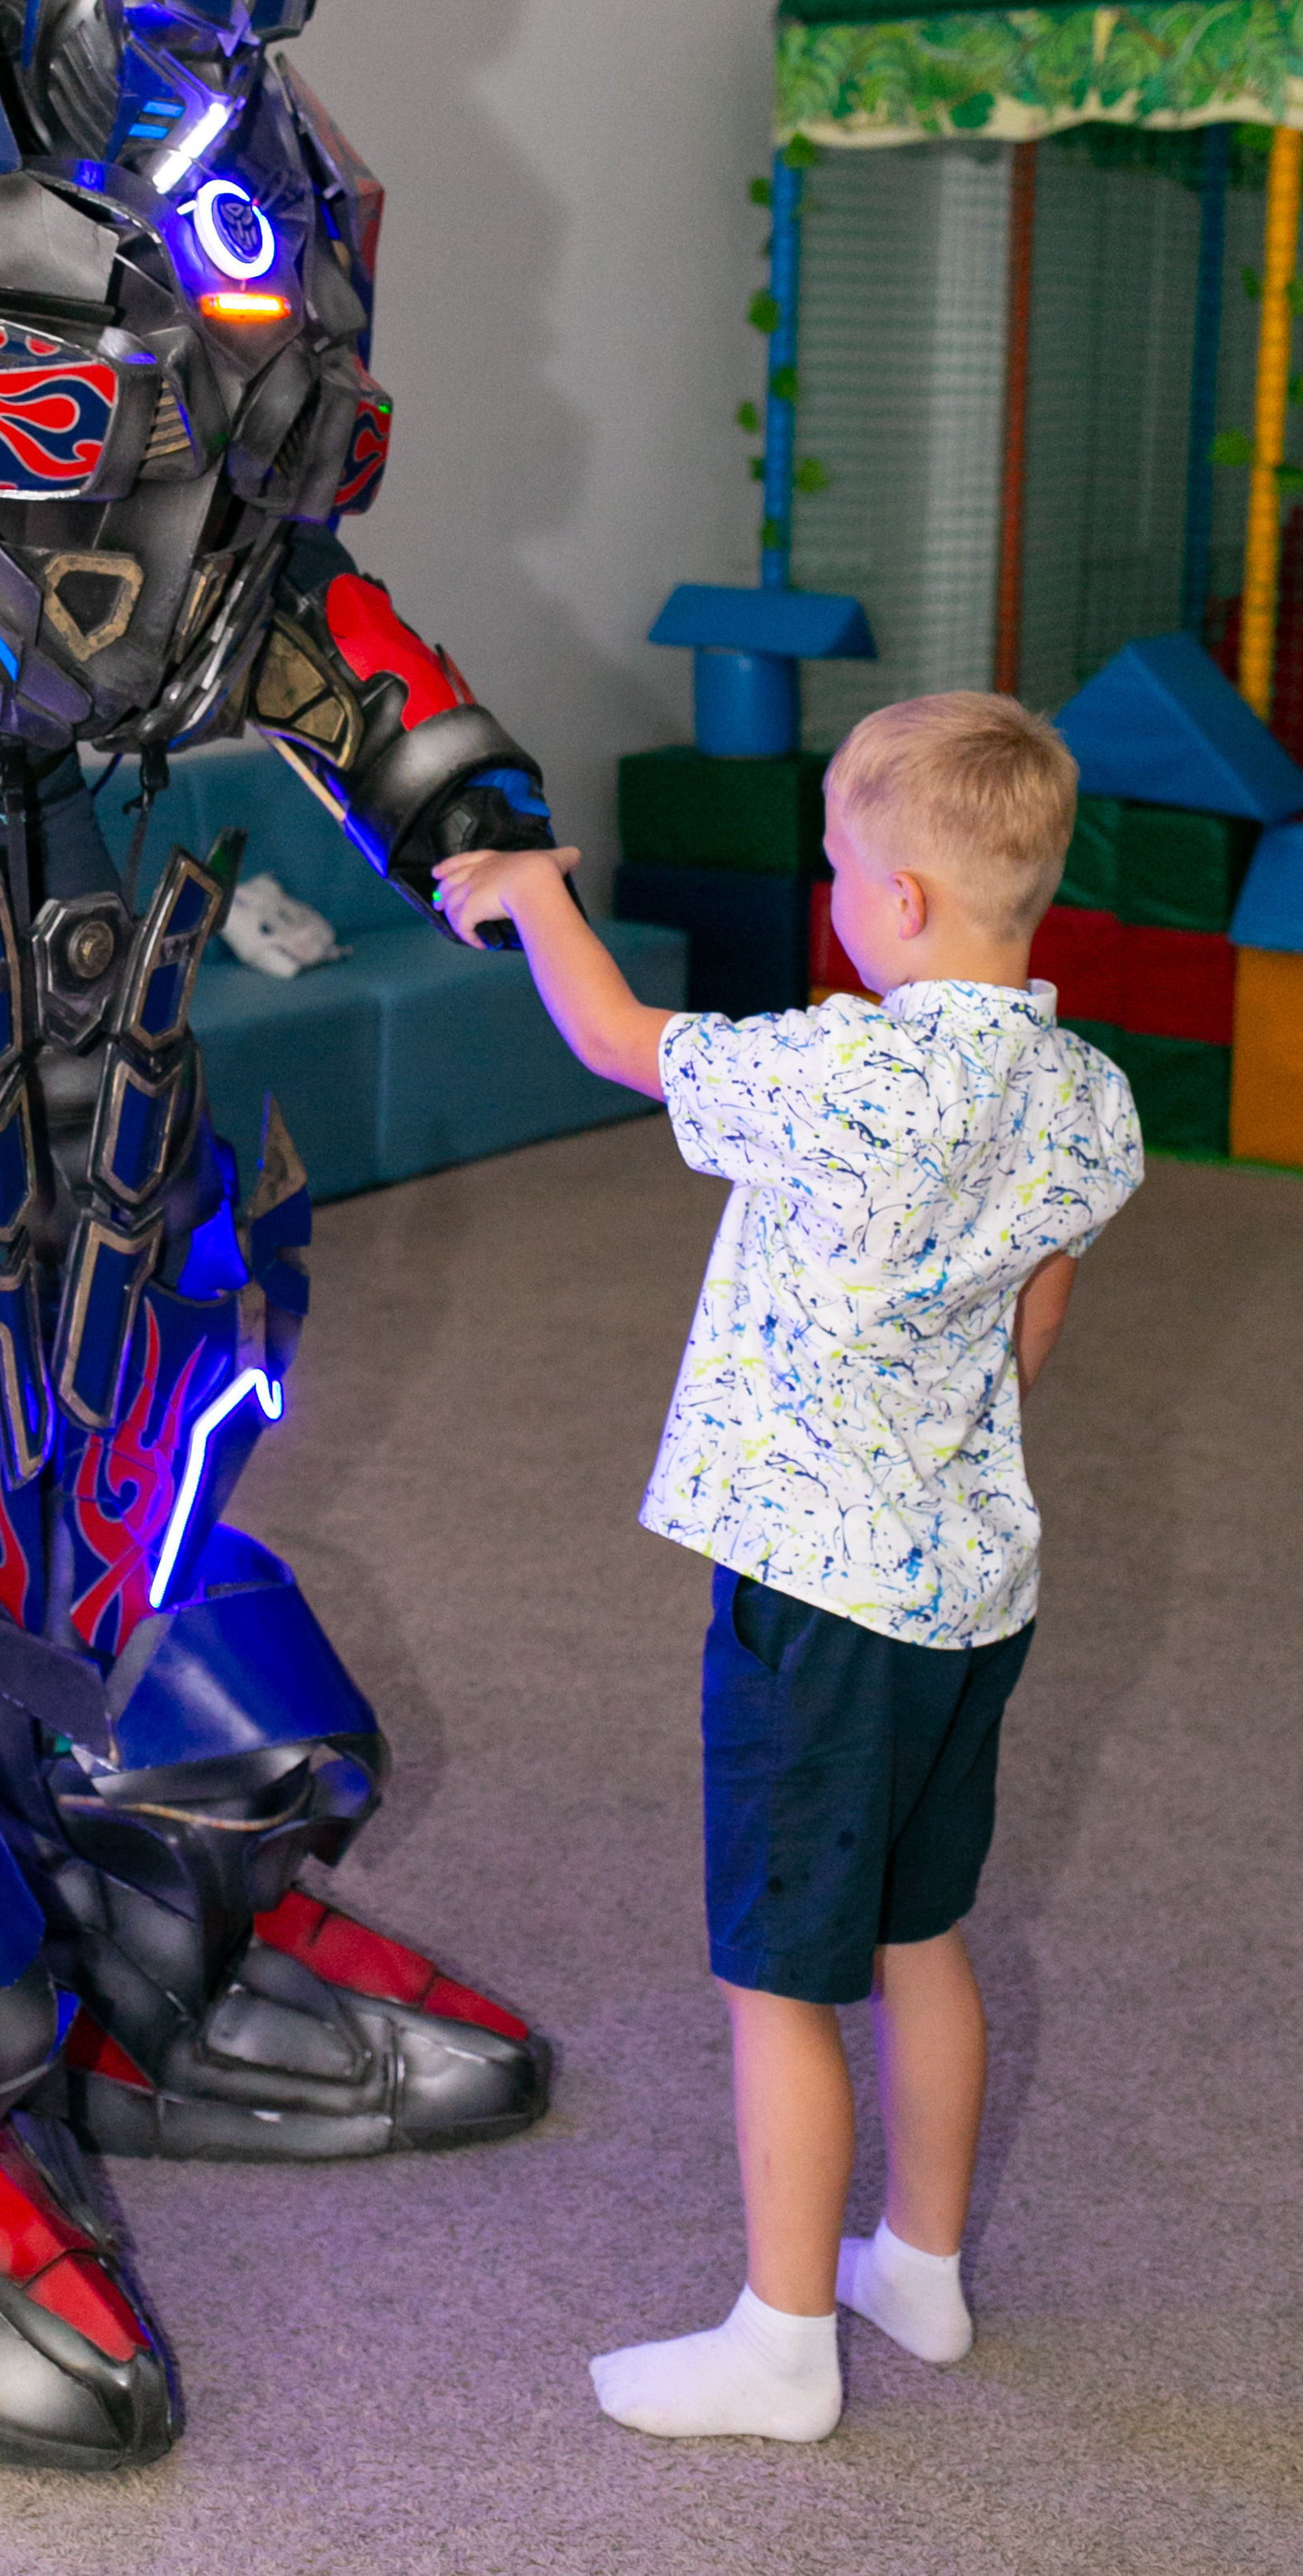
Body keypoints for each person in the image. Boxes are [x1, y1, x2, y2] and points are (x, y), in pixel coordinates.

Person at [434, 690, 1144, 2443]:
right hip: (970, 1589)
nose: (827, 891)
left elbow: (612, 1040)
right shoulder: (1078, 1095)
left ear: (895, 901)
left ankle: (779, 2337)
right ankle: (920, 2266)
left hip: (813, 1605)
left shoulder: (842, 1073)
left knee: (777, 1980)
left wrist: (530, 894)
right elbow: (1039, 1298)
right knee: (922, 1933)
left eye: (834, 862)